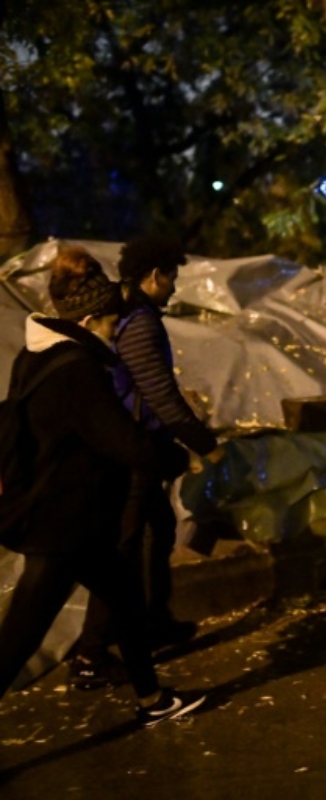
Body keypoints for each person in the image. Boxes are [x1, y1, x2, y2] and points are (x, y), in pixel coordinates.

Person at [0, 247, 205, 727]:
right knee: (17, 639)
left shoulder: (33, 359)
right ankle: (151, 698)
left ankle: (153, 700)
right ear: (90, 318)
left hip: (73, 517)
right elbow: (122, 440)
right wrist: (177, 455)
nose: (116, 332)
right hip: (59, 526)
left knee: (128, 598)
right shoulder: (78, 369)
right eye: (112, 322)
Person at [71, 235, 223, 689]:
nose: (174, 289)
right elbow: (159, 392)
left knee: (158, 531)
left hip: (140, 445)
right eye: (172, 279)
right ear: (155, 276)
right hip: (132, 449)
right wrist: (204, 443)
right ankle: (90, 653)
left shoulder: (129, 313)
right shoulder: (138, 322)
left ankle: (154, 620)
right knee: (126, 546)